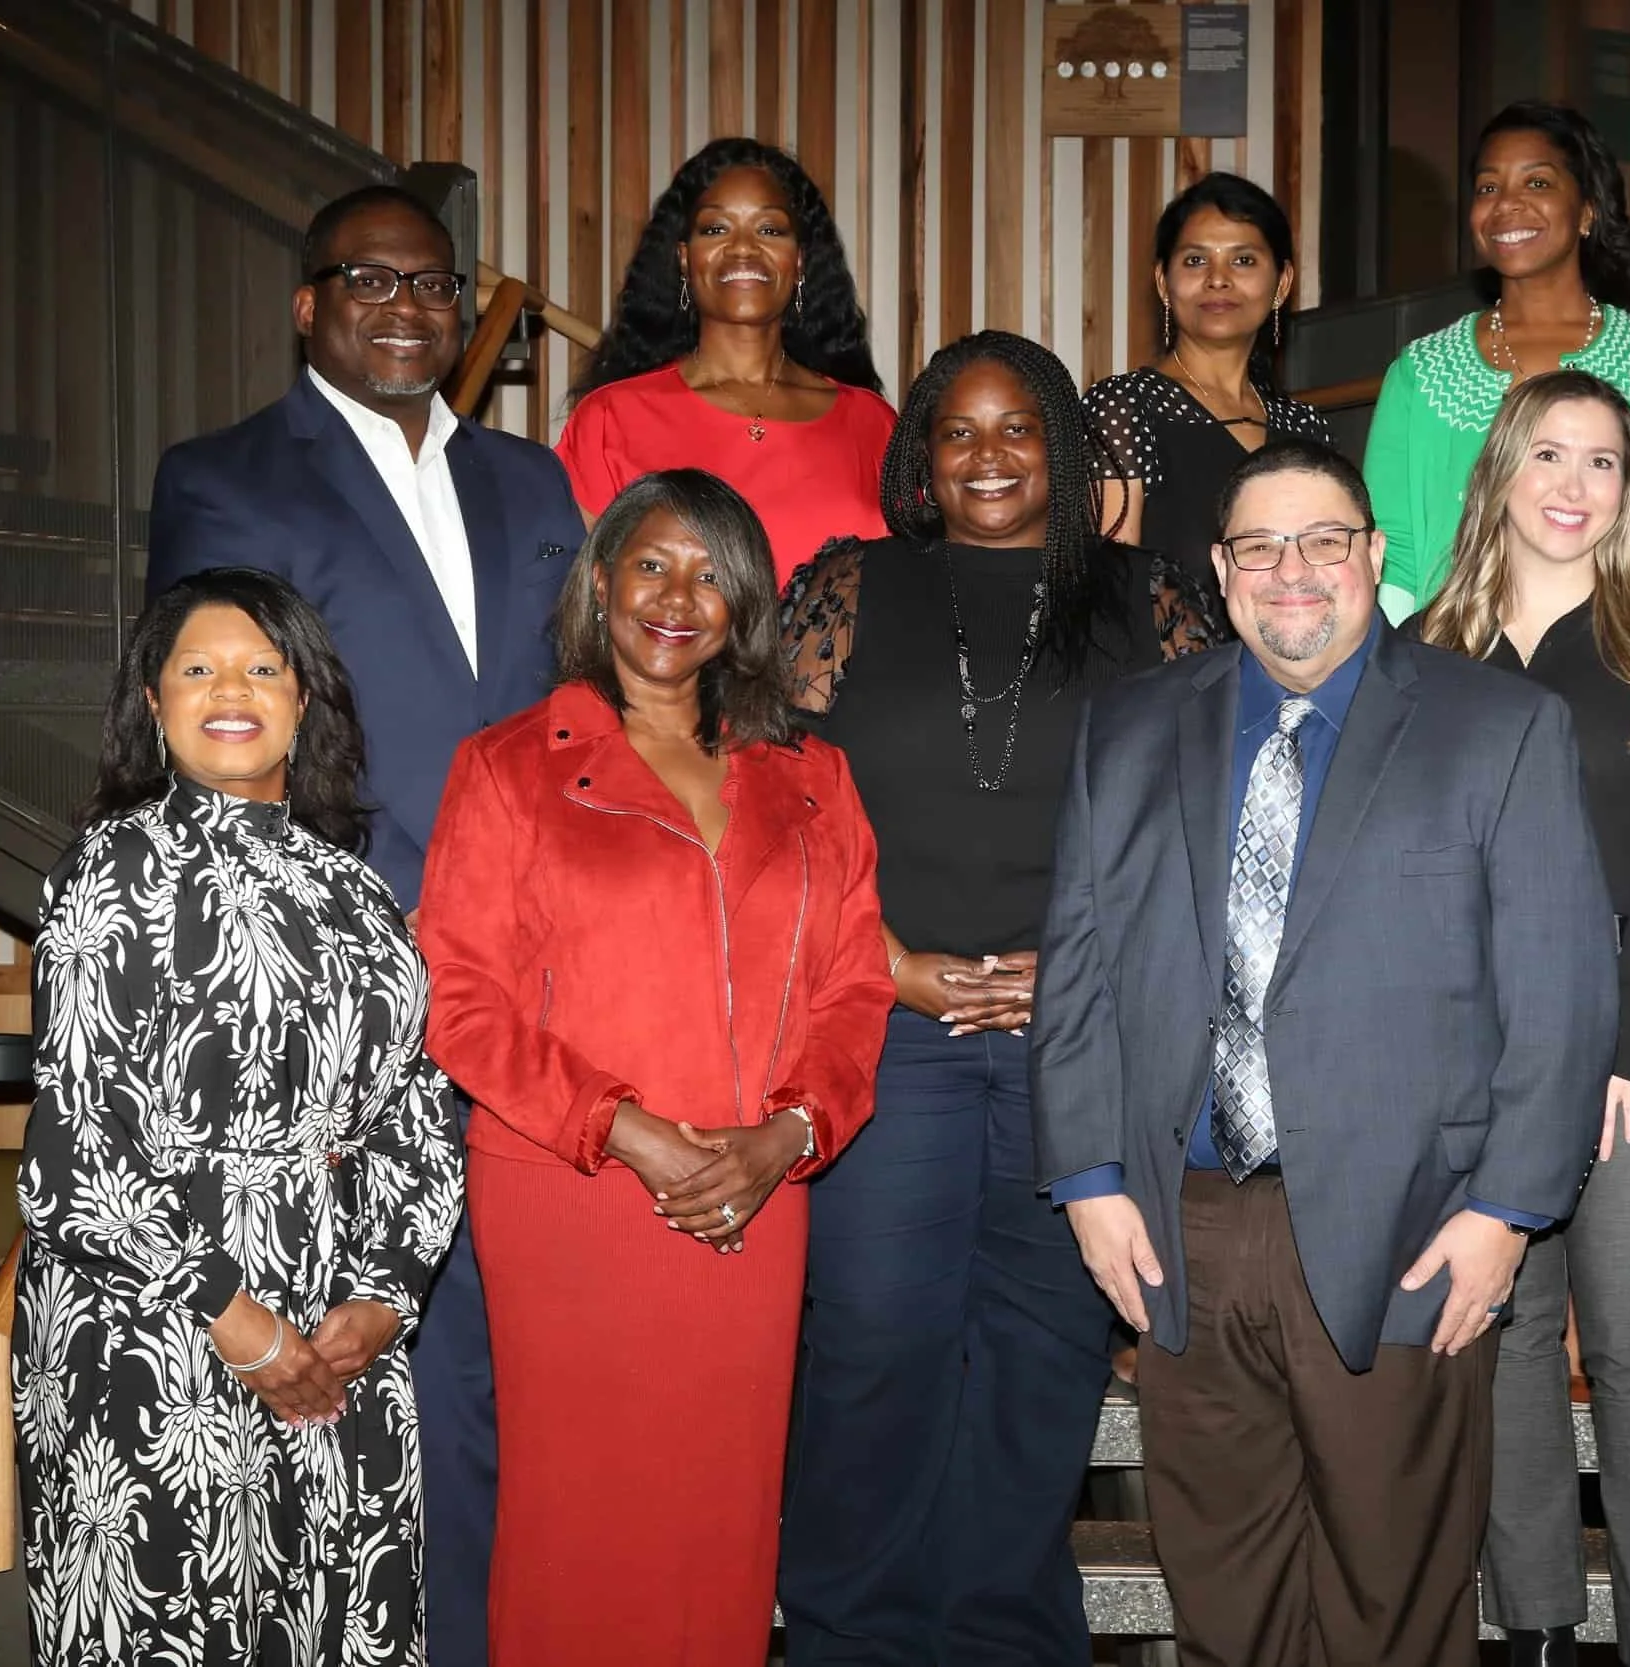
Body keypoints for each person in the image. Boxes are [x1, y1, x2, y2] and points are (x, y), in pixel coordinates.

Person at [1038, 438, 1616, 1666]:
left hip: (1410, 1225)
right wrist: (1088, 1181)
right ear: (1218, 568)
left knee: (1391, 1593)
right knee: (1219, 1581)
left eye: (1321, 541)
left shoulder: (1498, 726)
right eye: (1259, 545)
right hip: (1180, 1226)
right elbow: (1077, 972)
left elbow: (1560, 989)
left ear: (1372, 555)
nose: (1290, 571)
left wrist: (1505, 1211)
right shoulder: (1128, 729)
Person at [145, 181, 583, 1667]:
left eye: (432, 285)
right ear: (308, 304)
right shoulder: (225, 479)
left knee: (493, 1374)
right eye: (369, 280)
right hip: (328, 992)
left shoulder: (537, 486)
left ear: (466, 311)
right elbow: (220, 739)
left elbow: (576, 724)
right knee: (340, 1380)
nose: (407, 306)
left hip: (538, 991)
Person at [773, 329, 1218, 1666]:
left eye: (1019, 427)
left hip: (1076, 1045)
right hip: (887, 1031)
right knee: (873, 1356)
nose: (987, 456)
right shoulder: (847, 588)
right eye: (957, 430)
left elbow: (1209, 819)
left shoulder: (1155, 598)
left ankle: (1006, 1635)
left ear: (1067, 450)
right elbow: (777, 813)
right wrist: (883, 960)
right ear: (919, 450)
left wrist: (1086, 971)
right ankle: (856, 1634)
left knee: (1038, 1368)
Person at [417, 469, 892, 1664]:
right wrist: (630, 1130)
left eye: (711, 575)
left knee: (722, 1514)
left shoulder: (812, 778)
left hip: (757, 1187)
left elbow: (852, 989)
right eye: (651, 565)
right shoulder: (507, 764)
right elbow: (464, 1004)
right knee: (577, 1517)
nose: (678, 597)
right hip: (573, 1194)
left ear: (745, 605)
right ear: (601, 582)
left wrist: (788, 1135)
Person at [13, 568, 462, 1666]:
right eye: (197, 667)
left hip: (335, 1332)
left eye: (265, 667)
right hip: (151, 1332)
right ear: (153, 705)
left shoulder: (353, 888)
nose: (233, 688)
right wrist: (237, 1316)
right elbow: (76, 1152)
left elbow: (412, 1113)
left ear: (304, 702)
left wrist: (384, 1296)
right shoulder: (110, 870)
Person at [1415, 370, 1630, 1667]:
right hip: (1481, 1032)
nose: (1573, 483)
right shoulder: (1430, 646)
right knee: (1507, 1328)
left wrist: (1612, 1039)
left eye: (1602, 461)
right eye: (1549, 453)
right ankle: (1534, 1620)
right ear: (1502, 468)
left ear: (1629, 487)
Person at [1364, 101, 1630, 641]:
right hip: (1454, 676)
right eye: (1488, 188)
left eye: (1537, 183)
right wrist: (1392, 685)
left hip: (1617, 676)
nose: (1507, 204)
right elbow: (1393, 552)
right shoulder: (1420, 374)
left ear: (1586, 211)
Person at [559, 137, 893, 578]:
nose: (742, 248)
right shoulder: (609, 420)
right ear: (684, 258)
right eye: (715, 229)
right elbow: (575, 600)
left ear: (800, 262)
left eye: (770, 230)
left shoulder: (872, 424)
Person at [1084, 171, 1332, 592]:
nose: (1218, 278)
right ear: (1164, 282)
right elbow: (1114, 594)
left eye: (1243, 260)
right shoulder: (1124, 406)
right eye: (1196, 260)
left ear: (1282, 283)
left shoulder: (1304, 426)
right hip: (1162, 659)